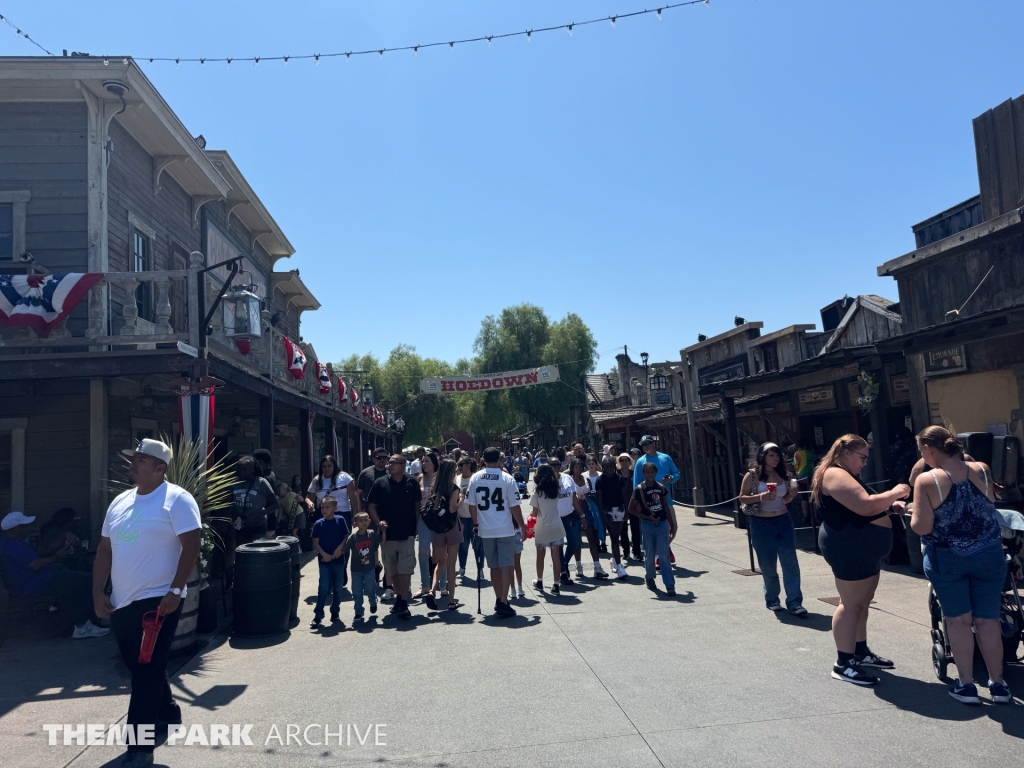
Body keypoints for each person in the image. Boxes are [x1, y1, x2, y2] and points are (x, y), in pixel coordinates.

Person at [92, 439, 202, 767]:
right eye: (133, 459)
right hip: (122, 600)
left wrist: (175, 589)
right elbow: (105, 550)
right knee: (139, 664)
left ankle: (140, 746)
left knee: (145, 668)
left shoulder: (177, 500)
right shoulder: (120, 503)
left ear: (160, 468)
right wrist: (98, 592)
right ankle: (167, 710)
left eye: (140, 459)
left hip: (159, 600)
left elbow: (191, 544)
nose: (133, 463)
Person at [910, 426, 1011, 704]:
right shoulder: (982, 470)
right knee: (988, 619)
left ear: (929, 449)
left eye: (922, 450)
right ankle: (999, 684)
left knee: (958, 620)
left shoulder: (927, 480)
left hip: (948, 558)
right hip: (989, 555)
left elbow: (922, 526)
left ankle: (967, 685)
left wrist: (912, 512)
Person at [812, 434, 910, 686]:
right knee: (850, 604)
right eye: (862, 457)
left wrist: (889, 506)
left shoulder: (844, 474)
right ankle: (843, 663)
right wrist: (894, 492)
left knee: (861, 603)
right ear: (846, 452)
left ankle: (859, 651)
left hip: (861, 545)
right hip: (848, 545)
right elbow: (865, 506)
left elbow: (859, 508)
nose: (864, 463)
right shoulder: (835, 473)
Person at [0, 511, 108, 639]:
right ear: (15, 528)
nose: (27, 528)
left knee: (73, 576)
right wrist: (57, 556)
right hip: (35, 583)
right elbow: (35, 564)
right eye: (24, 526)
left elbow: (40, 552)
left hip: (38, 579)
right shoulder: (13, 546)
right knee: (86, 581)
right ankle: (83, 625)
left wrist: (61, 539)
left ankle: (88, 620)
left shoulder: (9, 543)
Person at [738, 443, 807, 616]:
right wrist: (761, 496)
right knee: (768, 564)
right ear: (762, 456)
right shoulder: (752, 475)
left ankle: (794, 602)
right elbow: (742, 498)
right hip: (761, 523)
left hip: (783, 520)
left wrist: (791, 495)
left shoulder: (784, 474)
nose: (776, 458)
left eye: (777, 455)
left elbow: (785, 500)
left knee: (790, 562)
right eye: (771, 455)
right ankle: (772, 599)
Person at [468, 447, 528, 618]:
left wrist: (476, 523)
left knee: (493, 566)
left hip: (485, 529)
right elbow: (514, 505)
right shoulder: (507, 479)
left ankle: (499, 598)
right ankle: (503, 600)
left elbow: (472, 504)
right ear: (499, 459)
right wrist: (522, 527)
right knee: (507, 565)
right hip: (504, 528)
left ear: (483, 459)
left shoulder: (475, 478)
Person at [367, 454, 421, 620]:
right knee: (392, 569)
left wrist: (416, 526)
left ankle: (404, 602)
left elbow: (417, 505)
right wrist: (377, 522)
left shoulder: (412, 482)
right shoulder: (380, 483)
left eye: (393, 463)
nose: (389, 465)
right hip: (386, 535)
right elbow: (371, 506)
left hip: (406, 533)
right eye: (388, 463)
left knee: (405, 568)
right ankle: (399, 597)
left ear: (403, 465)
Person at [629, 462, 677, 595]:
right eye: (647, 472)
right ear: (643, 474)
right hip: (647, 525)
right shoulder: (639, 489)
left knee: (664, 554)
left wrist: (671, 525)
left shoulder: (661, 487)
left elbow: (665, 507)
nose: (650, 475)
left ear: (656, 473)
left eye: (652, 472)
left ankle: (670, 584)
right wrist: (646, 517)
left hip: (662, 524)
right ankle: (650, 577)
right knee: (649, 554)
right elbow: (631, 509)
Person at [422, 458, 462, 611]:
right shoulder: (453, 487)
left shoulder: (435, 487)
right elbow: (452, 509)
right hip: (451, 527)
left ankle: (432, 590)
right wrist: (461, 500)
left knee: (440, 562)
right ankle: (451, 601)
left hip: (437, 528)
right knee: (451, 565)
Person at [310, 496, 350, 628]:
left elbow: (346, 536)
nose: (324, 510)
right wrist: (324, 554)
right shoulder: (318, 524)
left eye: (327, 507)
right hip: (324, 561)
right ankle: (318, 615)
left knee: (338, 588)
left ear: (335, 508)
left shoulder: (340, 520)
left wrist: (340, 548)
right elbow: (315, 543)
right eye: (322, 507)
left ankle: (335, 612)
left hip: (338, 561)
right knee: (323, 587)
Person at [528, 464, 567, 594]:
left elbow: (534, 513)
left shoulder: (537, 492)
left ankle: (540, 581)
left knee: (540, 556)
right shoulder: (556, 489)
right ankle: (556, 585)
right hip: (556, 525)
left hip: (542, 527)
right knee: (555, 557)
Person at [339, 511, 381, 623]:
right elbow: (344, 550)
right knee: (356, 591)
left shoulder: (372, 534)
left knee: (370, 588)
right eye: (360, 521)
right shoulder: (353, 537)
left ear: (369, 521)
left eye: (365, 520)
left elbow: (381, 542)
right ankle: (358, 611)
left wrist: (383, 530)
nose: (363, 523)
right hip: (356, 569)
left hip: (369, 568)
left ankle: (373, 601)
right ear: (355, 523)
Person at [570, 458, 609, 578]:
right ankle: (578, 566)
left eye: (580, 467)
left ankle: (597, 567)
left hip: (588, 510)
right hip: (574, 512)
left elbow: (591, 492)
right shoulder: (569, 480)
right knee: (577, 541)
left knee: (592, 538)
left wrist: (587, 495)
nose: (578, 469)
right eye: (576, 467)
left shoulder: (586, 478)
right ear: (572, 468)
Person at [415, 452, 445, 599]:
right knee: (422, 551)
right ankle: (425, 585)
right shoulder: (419, 478)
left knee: (440, 552)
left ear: (434, 463)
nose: (424, 464)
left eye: (427, 461)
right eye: (422, 461)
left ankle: (443, 584)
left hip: (438, 518)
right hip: (423, 519)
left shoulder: (440, 478)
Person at [306, 455, 359, 535]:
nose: (327, 469)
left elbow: (353, 498)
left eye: (329, 466)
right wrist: (310, 504)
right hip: (324, 514)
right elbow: (308, 498)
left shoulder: (345, 477)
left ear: (334, 466)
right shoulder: (317, 480)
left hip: (343, 512)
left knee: (343, 540)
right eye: (324, 467)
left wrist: (355, 515)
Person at [595, 455, 629, 579]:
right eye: (606, 467)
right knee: (614, 537)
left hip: (620, 508)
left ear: (614, 467)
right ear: (603, 468)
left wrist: (627, 511)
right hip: (607, 510)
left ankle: (614, 559)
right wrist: (603, 515)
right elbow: (599, 500)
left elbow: (624, 495)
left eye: (611, 466)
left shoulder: (619, 478)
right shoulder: (600, 480)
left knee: (618, 536)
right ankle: (620, 567)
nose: (609, 469)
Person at [552, 457, 583, 585]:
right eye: (553, 464)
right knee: (558, 545)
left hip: (569, 515)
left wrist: (582, 514)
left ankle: (564, 562)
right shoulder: (546, 481)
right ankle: (563, 573)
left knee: (575, 542)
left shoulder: (567, 478)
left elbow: (574, 498)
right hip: (554, 517)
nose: (556, 466)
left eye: (558, 464)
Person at [456, 456, 479, 578]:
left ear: (468, 465)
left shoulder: (476, 478)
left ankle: (480, 570)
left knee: (477, 544)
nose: (458, 467)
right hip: (461, 515)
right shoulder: (457, 479)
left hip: (475, 516)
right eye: (458, 465)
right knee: (463, 544)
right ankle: (462, 568)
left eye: (461, 465)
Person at [618, 453, 643, 561]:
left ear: (630, 462)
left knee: (635, 529)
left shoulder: (634, 474)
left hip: (633, 505)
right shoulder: (616, 474)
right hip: (621, 505)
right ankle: (626, 551)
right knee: (623, 530)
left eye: (626, 460)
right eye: (622, 460)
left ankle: (637, 552)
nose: (624, 462)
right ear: (619, 462)